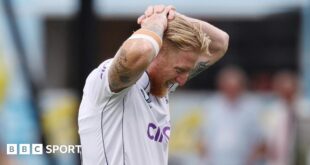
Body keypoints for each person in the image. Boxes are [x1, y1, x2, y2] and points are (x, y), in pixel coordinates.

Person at [78, 5, 229, 165]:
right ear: (156, 53)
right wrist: (155, 23)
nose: (183, 80)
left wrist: (171, 16)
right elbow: (142, 49)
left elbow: (221, 42)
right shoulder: (111, 82)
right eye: (179, 70)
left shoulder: (162, 85)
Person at [199, 66, 265, 165]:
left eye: (235, 88)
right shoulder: (211, 106)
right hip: (215, 161)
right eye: (228, 88)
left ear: (242, 87)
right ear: (222, 87)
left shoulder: (252, 108)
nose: (231, 92)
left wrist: (251, 160)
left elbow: (260, 141)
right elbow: (202, 138)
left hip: (244, 161)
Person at [264, 71, 310, 165]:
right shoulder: (271, 112)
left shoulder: (306, 109)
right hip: (278, 160)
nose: (287, 94)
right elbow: (266, 137)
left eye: (290, 90)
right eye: (284, 90)